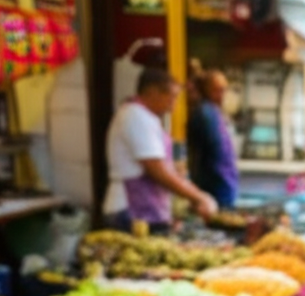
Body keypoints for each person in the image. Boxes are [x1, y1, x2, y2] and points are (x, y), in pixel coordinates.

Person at [103, 68, 217, 233]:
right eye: (172, 96)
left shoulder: (145, 117)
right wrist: (198, 197)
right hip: (130, 212)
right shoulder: (135, 116)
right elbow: (157, 170)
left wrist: (190, 194)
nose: (175, 103)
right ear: (153, 92)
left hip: (146, 211)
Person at [187, 69, 240, 210]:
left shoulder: (215, 112)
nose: (222, 95)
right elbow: (214, 152)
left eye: (224, 90)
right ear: (206, 90)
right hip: (214, 190)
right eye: (218, 90)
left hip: (224, 188)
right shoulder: (205, 113)